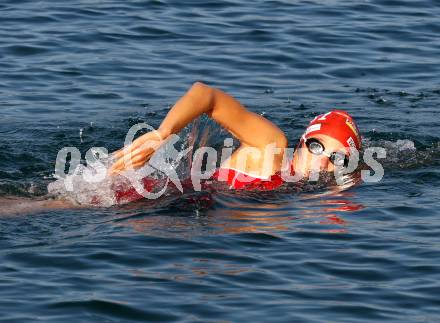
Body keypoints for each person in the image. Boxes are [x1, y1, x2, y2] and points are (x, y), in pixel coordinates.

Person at [110, 82, 361, 191]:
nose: (321, 162)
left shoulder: (299, 195)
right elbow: (205, 94)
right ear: (301, 143)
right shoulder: (270, 147)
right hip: (136, 196)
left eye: (337, 159)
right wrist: (162, 133)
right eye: (316, 147)